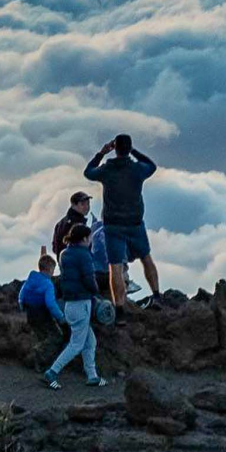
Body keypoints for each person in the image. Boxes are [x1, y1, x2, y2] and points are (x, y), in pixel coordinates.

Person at [83, 135, 159, 307]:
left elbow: (88, 172)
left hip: (113, 225)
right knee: (146, 257)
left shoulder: (107, 170)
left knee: (115, 265)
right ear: (128, 148)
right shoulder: (137, 169)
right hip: (135, 223)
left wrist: (101, 153)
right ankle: (157, 295)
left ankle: (119, 308)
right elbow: (152, 166)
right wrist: (134, 151)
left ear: (114, 149)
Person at [42, 224, 107, 389]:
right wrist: (96, 292)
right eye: (90, 237)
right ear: (84, 238)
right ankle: (52, 371)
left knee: (90, 341)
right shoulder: (84, 256)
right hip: (82, 303)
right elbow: (88, 278)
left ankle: (92, 375)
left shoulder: (64, 254)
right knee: (76, 344)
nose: (91, 240)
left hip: (69, 304)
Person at [19, 252, 68, 362]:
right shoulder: (47, 284)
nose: (53, 273)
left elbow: (22, 294)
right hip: (42, 316)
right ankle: (38, 357)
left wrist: (22, 306)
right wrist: (61, 318)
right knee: (56, 337)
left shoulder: (31, 278)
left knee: (41, 337)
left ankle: (33, 359)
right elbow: (51, 304)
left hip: (30, 314)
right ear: (49, 269)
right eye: (53, 270)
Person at [52, 191, 94, 259]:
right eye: (82, 204)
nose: (87, 207)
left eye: (88, 204)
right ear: (73, 205)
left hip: (65, 263)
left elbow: (54, 248)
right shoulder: (76, 224)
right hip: (78, 263)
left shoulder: (60, 223)